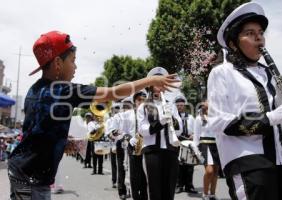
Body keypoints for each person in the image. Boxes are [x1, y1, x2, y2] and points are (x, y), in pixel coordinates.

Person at [7, 30, 179, 200]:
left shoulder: (35, 90)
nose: (76, 67)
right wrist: (151, 80)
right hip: (30, 179)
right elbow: (113, 93)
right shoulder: (63, 90)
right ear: (58, 63)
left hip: (24, 172)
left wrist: (62, 142)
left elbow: (35, 130)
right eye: (73, 61)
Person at [208, 2, 282, 200]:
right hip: (250, 164)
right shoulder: (222, 73)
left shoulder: (269, 74)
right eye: (250, 33)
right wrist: (272, 116)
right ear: (233, 43)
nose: (259, 37)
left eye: (260, 32)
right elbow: (220, 121)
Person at [137, 67, 183, 200]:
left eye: (162, 83)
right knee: (155, 190)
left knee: (169, 190)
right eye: (157, 83)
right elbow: (142, 130)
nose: (160, 86)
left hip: (171, 149)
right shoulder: (143, 106)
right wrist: (160, 122)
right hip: (152, 151)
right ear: (150, 85)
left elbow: (179, 129)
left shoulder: (171, 105)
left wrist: (172, 119)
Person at [194, 101, 220, 200]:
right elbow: (196, 136)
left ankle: (212, 194)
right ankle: (205, 193)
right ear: (204, 105)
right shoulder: (199, 118)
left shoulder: (217, 118)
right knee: (209, 171)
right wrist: (196, 150)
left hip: (216, 145)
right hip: (205, 144)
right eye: (207, 102)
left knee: (216, 171)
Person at [127, 90, 148, 200]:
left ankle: (144, 197)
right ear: (134, 101)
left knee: (144, 176)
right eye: (139, 100)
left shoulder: (149, 113)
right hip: (133, 146)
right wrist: (129, 139)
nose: (141, 102)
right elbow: (122, 131)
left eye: (144, 100)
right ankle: (136, 197)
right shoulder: (128, 115)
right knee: (134, 176)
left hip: (146, 147)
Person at [174, 95, 197, 194]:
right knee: (179, 166)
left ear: (185, 105)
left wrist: (194, 135)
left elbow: (196, 130)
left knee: (189, 166)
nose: (180, 107)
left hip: (189, 143)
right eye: (178, 105)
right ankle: (179, 185)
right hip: (178, 142)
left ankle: (189, 186)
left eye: (181, 105)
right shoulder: (174, 118)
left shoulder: (191, 117)